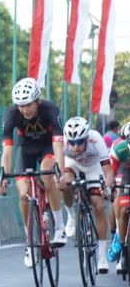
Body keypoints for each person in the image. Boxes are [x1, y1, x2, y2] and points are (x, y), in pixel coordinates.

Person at [0, 77, 66, 268]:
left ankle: (59, 227)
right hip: (25, 150)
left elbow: (59, 144)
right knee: (23, 193)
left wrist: (60, 170)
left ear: (37, 101)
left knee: (46, 173)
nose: (24, 110)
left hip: (48, 147)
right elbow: (7, 151)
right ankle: (30, 241)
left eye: (28, 105)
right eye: (20, 105)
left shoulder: (50, 110)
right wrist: (3, 176)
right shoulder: (11, 114)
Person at [57, 117, 113, 274]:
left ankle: (102, 256)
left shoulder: (96, 139)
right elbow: (59, 170)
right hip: (72, 165)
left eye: (79, 142)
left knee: (98, 205)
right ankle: (71, 217)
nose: (75, 147)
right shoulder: (63, 143)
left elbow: (109, 173)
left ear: (87, 138)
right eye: (72, 143)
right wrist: (60, 182)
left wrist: (106, 188)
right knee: (66, 184)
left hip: (93, 168)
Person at [108, 122, 130, 272]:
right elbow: (111, 173)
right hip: (125, 173)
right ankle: (123, 251)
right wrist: (111, 189)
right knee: (123, 210)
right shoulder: (120, 149)